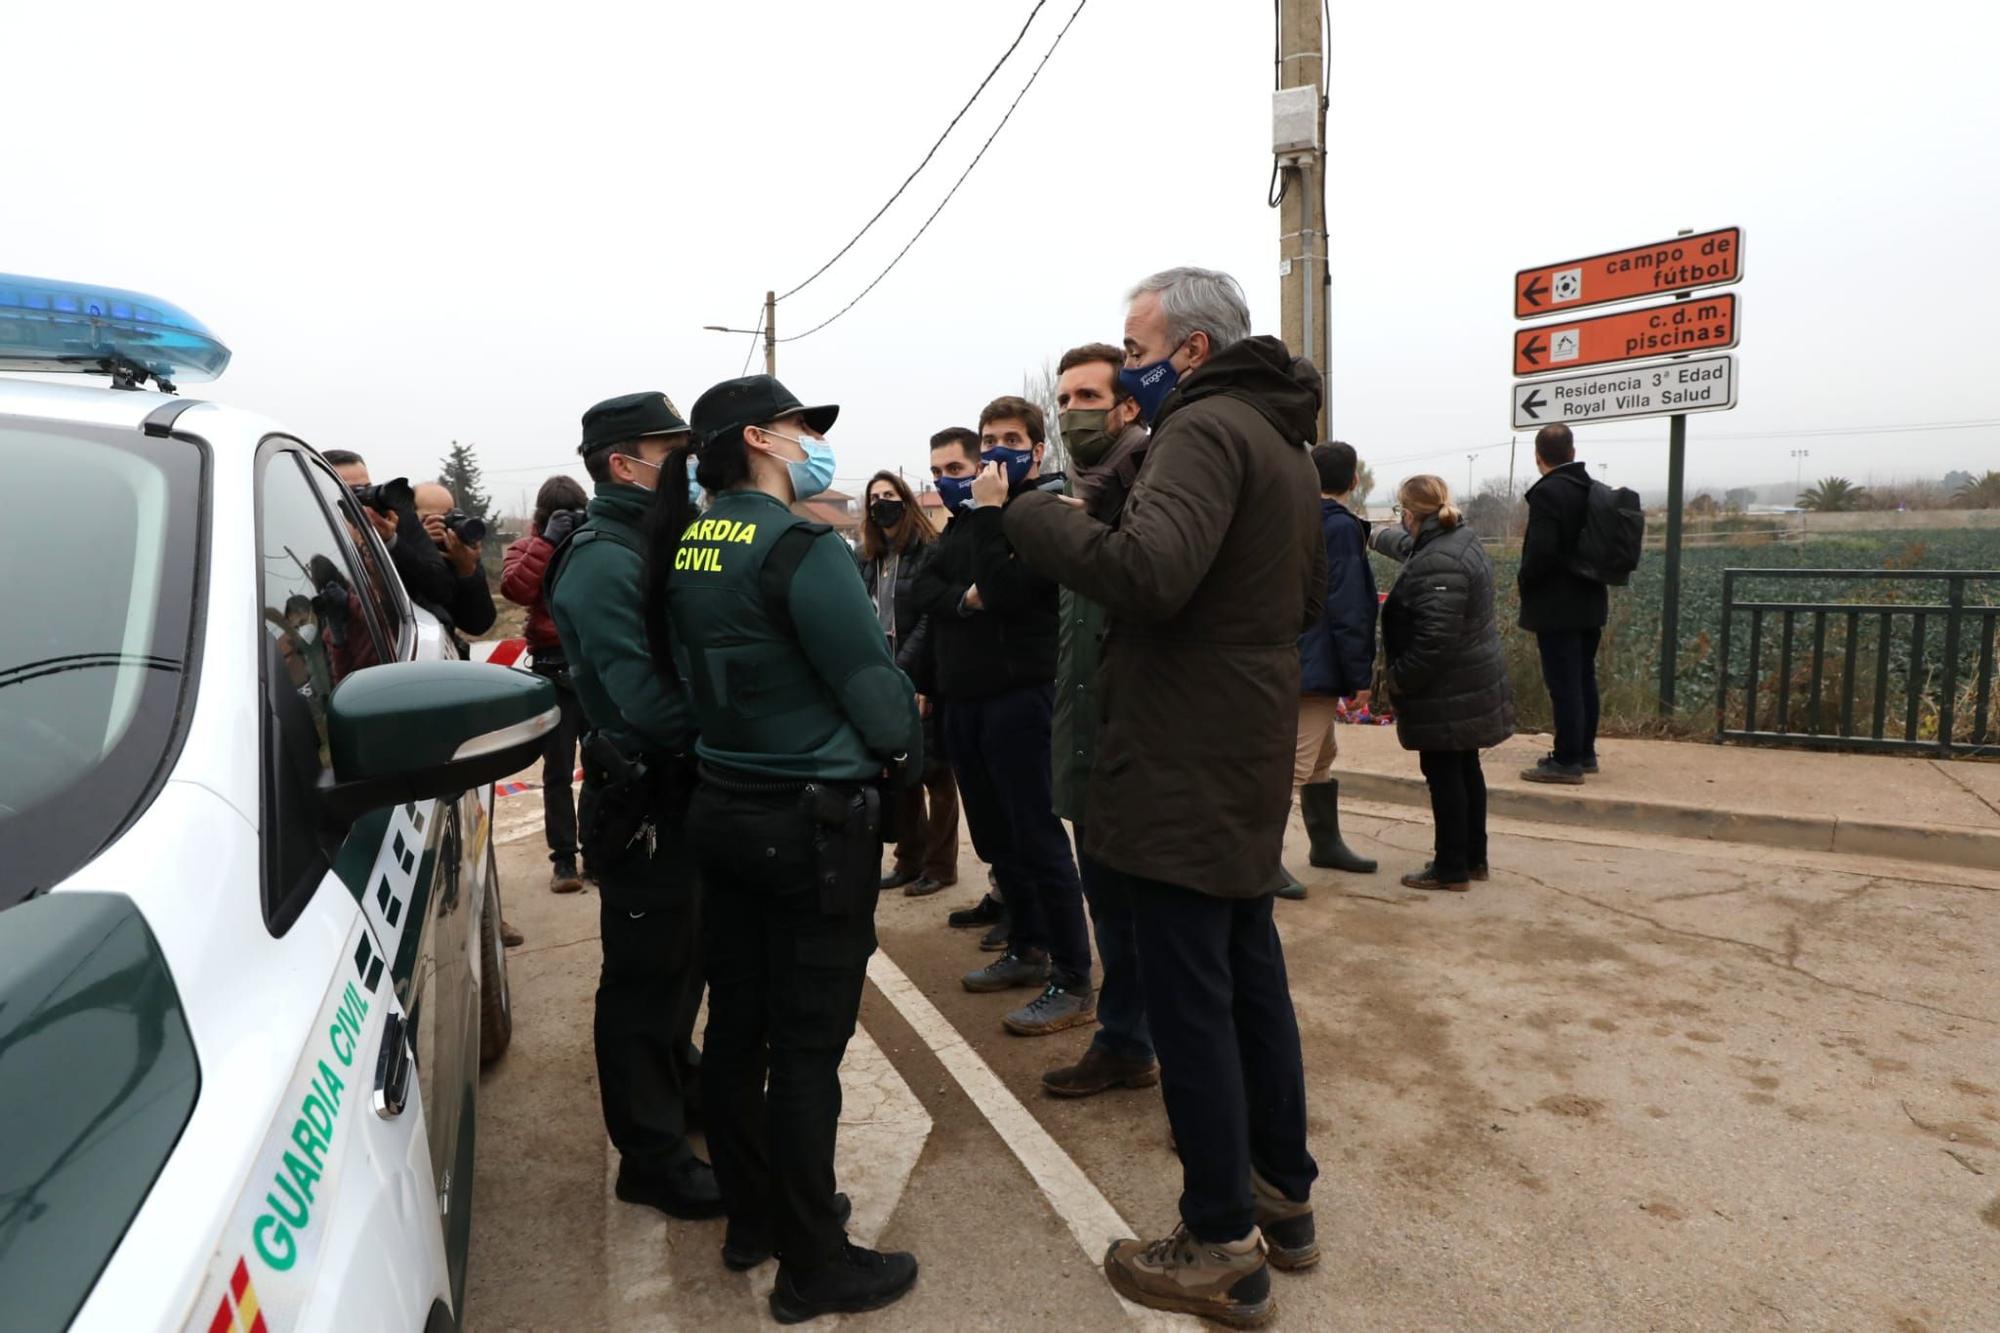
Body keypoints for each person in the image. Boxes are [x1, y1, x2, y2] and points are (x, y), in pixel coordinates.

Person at [994, 267, 1322, 1325]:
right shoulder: (1277, 435)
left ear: (1186, 349)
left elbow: (1148, 573)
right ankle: (1284, 1192)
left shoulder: (1201, 428)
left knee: (1192, 1002)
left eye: (1135, 345)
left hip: (1182, 749)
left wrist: (1032, 516)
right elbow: (1292, 592)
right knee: (1246, 972)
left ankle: (1218, 1241)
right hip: (1239, 734)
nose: (1124, 362)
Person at [652, 374, 922, 1322]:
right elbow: (879, 697)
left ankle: (756, 1217)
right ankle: (816, 1264)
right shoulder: (802, 546)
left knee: (736, 1027)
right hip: (808, 825)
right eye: (807, 428)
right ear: (763, 438)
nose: (817, 443)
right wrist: (909, 747)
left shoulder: (689, 540)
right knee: (807, 1049)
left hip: (723, 807)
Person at [546, 391, 716, 1221]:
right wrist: (730, 737)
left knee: (681, 960)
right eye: (670, 451)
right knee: (644, 980)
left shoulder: (644, 538)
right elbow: (644, 698)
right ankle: (649, 1156)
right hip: (645, 789)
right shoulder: (606, 555)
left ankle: (676, 1091)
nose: (685, 466)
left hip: (673, 787)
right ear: (625, 462)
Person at [915, 401, 1095, 1038]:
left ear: (1037, 452)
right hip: (966, 701)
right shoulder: (965, 524)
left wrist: (991, 515)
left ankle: (1074, 978)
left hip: (1021, 699)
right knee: (996, 838)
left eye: (1010, 441)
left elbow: (1012, 591)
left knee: (1038, 840)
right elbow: (922, 590)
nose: (997, 452)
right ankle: (1026, 946)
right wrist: (965, 599)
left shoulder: (1035, 515)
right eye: (989, 440)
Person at [1035, 342, 1159, 1100]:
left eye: (1086, 397)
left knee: (1152, 925)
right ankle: (1124, 1041)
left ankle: (1150, 1051)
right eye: (1065, 397)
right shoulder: (1085, 493)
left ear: (1127, 407)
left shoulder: (1144, 488)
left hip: (1132, 750)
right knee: (1112, 913)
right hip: (1088, 738)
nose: (1070, 410)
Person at [1370, 474, 1516, 891]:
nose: (1400, 522)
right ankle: (1473, 858)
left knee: (1445, 776)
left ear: (1412, 514)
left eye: (1400, 513)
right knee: (1466, 769)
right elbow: (1409, 548)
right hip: (1469, 680)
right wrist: (1369, 534)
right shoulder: (1459, 539)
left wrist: (1398, 680)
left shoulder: (1440, 560)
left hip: (1447, 688)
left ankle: (1450, 867)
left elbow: (1434, 642)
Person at [1280, 440, 1380, 899]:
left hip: (1294, 653)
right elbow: (1349, 606)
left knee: (1321, 756)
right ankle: (1261, 861)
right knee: (1295, 765)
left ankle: (1326, 844)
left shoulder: (1290, 517)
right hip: (1315, 663)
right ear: (1354, 481)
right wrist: (1360, 676)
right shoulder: (1339, 528)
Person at [855, 469, 960, 898]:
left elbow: (931, 619)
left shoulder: (929, 551)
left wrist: (912, 677)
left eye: (890, 494)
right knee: (903, 773)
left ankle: (940, 866)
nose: (882, 502)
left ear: (906, 500)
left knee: (936, 773)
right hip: (886, 676)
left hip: (922, 675)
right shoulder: (869, 557)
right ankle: (908, 859)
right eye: (875, 496)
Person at [502, 474, 591, 893]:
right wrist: (548, 544)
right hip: (553, 670)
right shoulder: (527, 548)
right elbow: (516, 589)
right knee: (557, 772)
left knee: (604, 767)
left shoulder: (594, 543)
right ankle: (563, 861)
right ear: (542, 516)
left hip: (595, 667)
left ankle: (598, 850)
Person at [1517, 422, 1607, 784]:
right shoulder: (1592, 488)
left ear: (1538, 457)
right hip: (1591, 600)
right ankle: (1584, 752)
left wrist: (1525, 581)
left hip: (1557, 606)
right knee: (1584, 677)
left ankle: (1566, 760)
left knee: (1564, 683)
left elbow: (1541, 553)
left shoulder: (1548, 493)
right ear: (1572, 452)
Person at [323, 450, 458, 615]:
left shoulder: (397, 517)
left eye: (366, 488)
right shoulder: (321, 531)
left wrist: (392, 541)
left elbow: (442, 590)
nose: (361, 498)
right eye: (350, 492)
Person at [413, 480, 498, 652]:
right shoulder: (401, 549)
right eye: (434, 519)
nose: (446, 525)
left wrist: (468, 571)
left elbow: (478, 625)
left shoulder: (458, 554)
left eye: (451, 516)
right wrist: (420, 544)